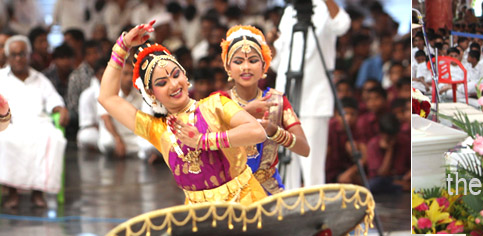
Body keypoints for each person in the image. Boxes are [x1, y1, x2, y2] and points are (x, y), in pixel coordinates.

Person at [97, 21, 268, 205]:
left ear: (185, 76)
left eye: (176, 75)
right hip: (198, 216)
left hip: (244, 204)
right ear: (152, 94)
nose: (173, 85)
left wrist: (203, 141)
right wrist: (122, 47)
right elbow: (107, 98)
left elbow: (257, 132)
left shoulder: (215, 104)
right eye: (162, 83)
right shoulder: (158, 130)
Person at [219, 25, 310, 195]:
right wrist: (246, 113)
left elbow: (304, 149)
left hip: (270, 193)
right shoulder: (219, 101)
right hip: (232, 195)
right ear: (228, 67)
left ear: (264, 66)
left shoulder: (276, 101)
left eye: (253, 60)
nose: (246, 67)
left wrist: (274, 131)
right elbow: (206, 140)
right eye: (238, 62)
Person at [272, 0, 350, 189]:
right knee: (286, 163)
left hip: (314, 99)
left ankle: (314, 214)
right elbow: (277, 63)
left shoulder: (324, 8)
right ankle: (288, 211)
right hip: (286, 97)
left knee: (311, 166)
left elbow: (342, 25)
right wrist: (269, 45)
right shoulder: (290, 11)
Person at [0, 35, 69, 208]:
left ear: (29, 55)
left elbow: (54, 100)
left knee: (53, 139)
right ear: (7, 57)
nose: (18, 58)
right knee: (5, 140)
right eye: (14, 55)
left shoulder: (40, 79)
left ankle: (38, 192)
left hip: (38, 123)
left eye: (22, 54)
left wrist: (60, 109)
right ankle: (12, 192)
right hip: (10, 124)